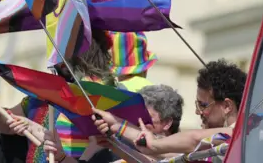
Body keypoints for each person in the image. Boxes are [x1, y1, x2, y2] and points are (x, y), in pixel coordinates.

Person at [0, 29, 116, 162]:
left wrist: (38, 131)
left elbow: (99, 148)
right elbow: (6, 123)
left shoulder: (105, 99)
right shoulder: (41, 96)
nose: (56, 59)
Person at [92, 59, 247, 158]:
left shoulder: (244, 133)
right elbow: (164, 156)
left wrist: (153, 144)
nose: (197, 112)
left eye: (203, 105)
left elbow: (193, 139)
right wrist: (116, 129)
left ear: (227, 106)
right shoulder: (217, 145)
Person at [43, 84, 185, 162]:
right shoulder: (112, 141)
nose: (138, 121)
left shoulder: (185, 154)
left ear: (166, 123)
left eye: (146, 117)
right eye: (136, 115)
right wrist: (60, 156)